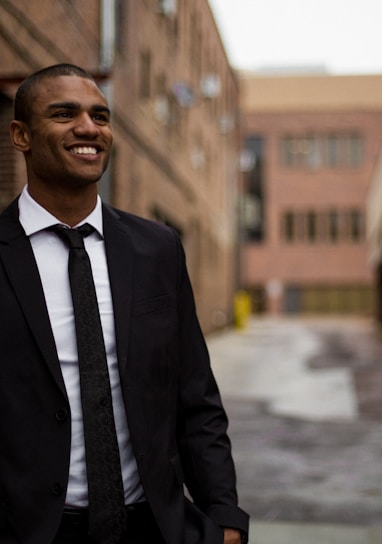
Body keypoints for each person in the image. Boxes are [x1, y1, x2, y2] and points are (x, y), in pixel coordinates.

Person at [0, 64, 249, 544]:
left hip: (151, 526)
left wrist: (225, 514)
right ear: (21, 135)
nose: (89, 128)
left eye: (101, 116)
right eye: (64, 113)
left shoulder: (156, 248)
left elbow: (195, 395)